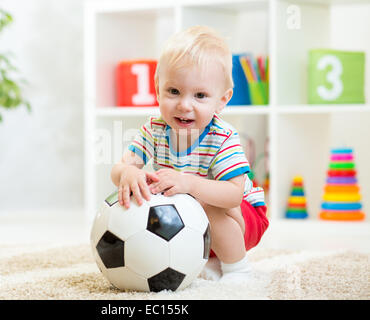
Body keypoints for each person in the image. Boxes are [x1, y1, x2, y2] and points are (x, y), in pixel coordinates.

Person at [110, 25, 268, 282]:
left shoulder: (223, 136)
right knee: (151, 196)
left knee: (206, 202)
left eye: (200, 95)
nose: (184, 105)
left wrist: (189, 183)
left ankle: (237, 267)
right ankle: (205, 260)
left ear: (222, 100)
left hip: (244, 216)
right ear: (158, 87)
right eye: (174, 91)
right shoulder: (155, 129)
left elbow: (233, 196)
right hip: (196, 216)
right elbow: (118, 169)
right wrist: (127, 172)